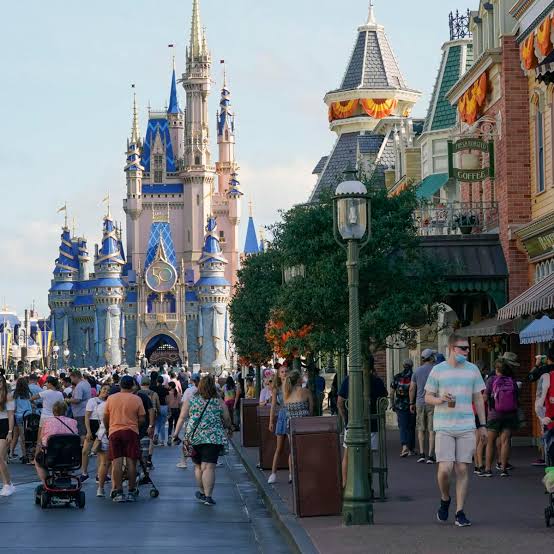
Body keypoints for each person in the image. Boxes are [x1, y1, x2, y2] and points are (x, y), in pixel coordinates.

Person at [424, 333, 486, 527]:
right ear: (452, 348)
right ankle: (445, 498)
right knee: (445, 469)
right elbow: (427, 397)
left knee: (462, 468)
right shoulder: (438, 370)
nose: (467, 351)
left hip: (466, 425)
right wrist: (440, 399)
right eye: (463, 348)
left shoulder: (473, 369)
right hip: (444, 426)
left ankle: (460, 512)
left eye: (467, 348)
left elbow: (478, 398)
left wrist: (483, 425)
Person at [171, 374, 233, 506]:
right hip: (213, 437)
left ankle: (202, 492)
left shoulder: (191, 399)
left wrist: (175, 434)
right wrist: (229, 427)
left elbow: (182, 417)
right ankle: (208, 496)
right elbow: (227, 418)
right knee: (209, 467)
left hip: (193, 437)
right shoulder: (218, 400)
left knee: (198, 466)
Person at [338, 369, 388, 487]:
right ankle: (367, 484)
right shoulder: (376, 381)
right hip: (372, 425)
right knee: (368, 456)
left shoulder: (348, 380)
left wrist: (345, 418)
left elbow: (340, 402)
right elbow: (384, 401)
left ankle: (345, 484)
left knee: (347, 454)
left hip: (351, 423)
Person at [103, 375, 146, 502]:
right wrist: (135, 425)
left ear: (120, 385)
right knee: (131, 462)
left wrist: (108, 428)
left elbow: (106, 417)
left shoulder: (111, 398)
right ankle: (131, 490)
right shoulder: (137, 399)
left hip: (115, 431)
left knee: (116, 462)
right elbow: (142, 418)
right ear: (132, 385)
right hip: (131, 431)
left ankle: (118, 491)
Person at [479, 353, 519, 478]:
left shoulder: (491, 380)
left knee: (490, 442)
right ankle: (503, 469)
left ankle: (488, 469)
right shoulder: (512, 381)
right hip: (509, 414)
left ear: (497, 369)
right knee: (505, 441)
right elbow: (517, 398)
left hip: (494, 414)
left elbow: (485, 397)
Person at [34, 400, 78, 485]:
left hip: (51, 457)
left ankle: (46, 483)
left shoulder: (47, 422)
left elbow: (43, 440)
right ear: (66, 411)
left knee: (37, 461)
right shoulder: (73, 422)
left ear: (53, 411)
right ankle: (67, 476)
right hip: (69, 457)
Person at [410, 349, 436, 463]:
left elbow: (412, 388)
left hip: (420, 402)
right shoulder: (435, 370)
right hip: (432, 402)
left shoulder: (417, 371)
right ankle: (430, 455)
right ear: (431, 357)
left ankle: (421, 453)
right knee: (432, 429)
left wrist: (411, 403)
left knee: (421, 429)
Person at [80, 384, 110, 482]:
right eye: (104, 389)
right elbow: (87, 416)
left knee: (100, 452)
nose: (106, 391)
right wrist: (88, 431)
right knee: (85, 451)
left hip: (102, 426)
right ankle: (84, 473)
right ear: (100, 390)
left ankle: (99, 474)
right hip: (93, 425)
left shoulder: (108, 402)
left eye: (108, 390)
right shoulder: (92, 401)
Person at [533, 350, 554, 473]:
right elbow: (539, 402)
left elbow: (530, 376)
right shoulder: (547, 375)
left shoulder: (545, 373)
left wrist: (537, 364)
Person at [268, 365, 288, 484]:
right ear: (279, 375)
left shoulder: (292, 387)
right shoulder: (276, 389)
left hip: (291, 415)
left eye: (286, 371)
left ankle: (291, 474)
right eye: (282, 372)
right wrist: (271, 421)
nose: (284, 373)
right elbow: (273, 406)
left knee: (292, 448)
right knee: (279, 448)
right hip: (282, 416)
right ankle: (273, 473)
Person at [391, 360, 416, 457]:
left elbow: (392, 392)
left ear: (403, 366)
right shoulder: (413, 376)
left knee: (402, 426)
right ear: (412, 366)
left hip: (400, 405)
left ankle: (404, 446)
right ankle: (411, 448)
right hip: (412, 404)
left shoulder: (397, 376)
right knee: (411, 426)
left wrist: (392, 403)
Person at [175, 373, 200, 469]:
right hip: (203, 419)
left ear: (192, 380)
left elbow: (183, 403)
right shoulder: (204, 390)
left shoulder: (188, 391)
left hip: (191, 418)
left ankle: (184, 462)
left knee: (188, 440)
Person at [31, 376, 64, 445]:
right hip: (55, 417)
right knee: (53, 435)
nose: (46, 385)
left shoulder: (45, 392)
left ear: (50, 384)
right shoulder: (60, 394)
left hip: (45, 416)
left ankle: (38, 449)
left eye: (47, 383)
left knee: (40, 436)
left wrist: (33, 403)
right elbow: (62, 405)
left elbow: (32, 398)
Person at [10, 377, 32, 462]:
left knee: (16, 436)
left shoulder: (15, 394)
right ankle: (24, 455)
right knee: (23, 436)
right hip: (28, 415)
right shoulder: (28, 393)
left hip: (18, 416)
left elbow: (14, 407)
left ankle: (11, 453)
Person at [136, 377, 157, 467]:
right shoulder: (153, 393)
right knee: (149, 441)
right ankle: (148, 459)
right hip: (147, 423)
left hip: (139, 424)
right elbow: (154, 408)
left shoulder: (139, 395)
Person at [0, 374, 15, 496]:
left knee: (0, 457)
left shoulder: (8, 396)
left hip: (4, 425)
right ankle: (7, 483)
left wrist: (10, 432)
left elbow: (11, 415)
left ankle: (7, 484)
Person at [66, 370, 92, 440]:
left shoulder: (79, 386)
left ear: (76, 377)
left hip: (79, 412)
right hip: (86, 410)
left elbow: (77, 400)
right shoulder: (86, 383)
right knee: (85, 430)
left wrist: (68, 400)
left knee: (81, 432)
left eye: (72, 378)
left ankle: (82, 445)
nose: (72, 381)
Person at [152, 375, 169, 446]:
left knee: (157, 423)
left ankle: (156, 434)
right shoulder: (165, 389)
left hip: (157, 406)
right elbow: (167, 399)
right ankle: (162, 440)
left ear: (157, 381)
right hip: (164, 406)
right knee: (163, 424)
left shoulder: (154, 389)